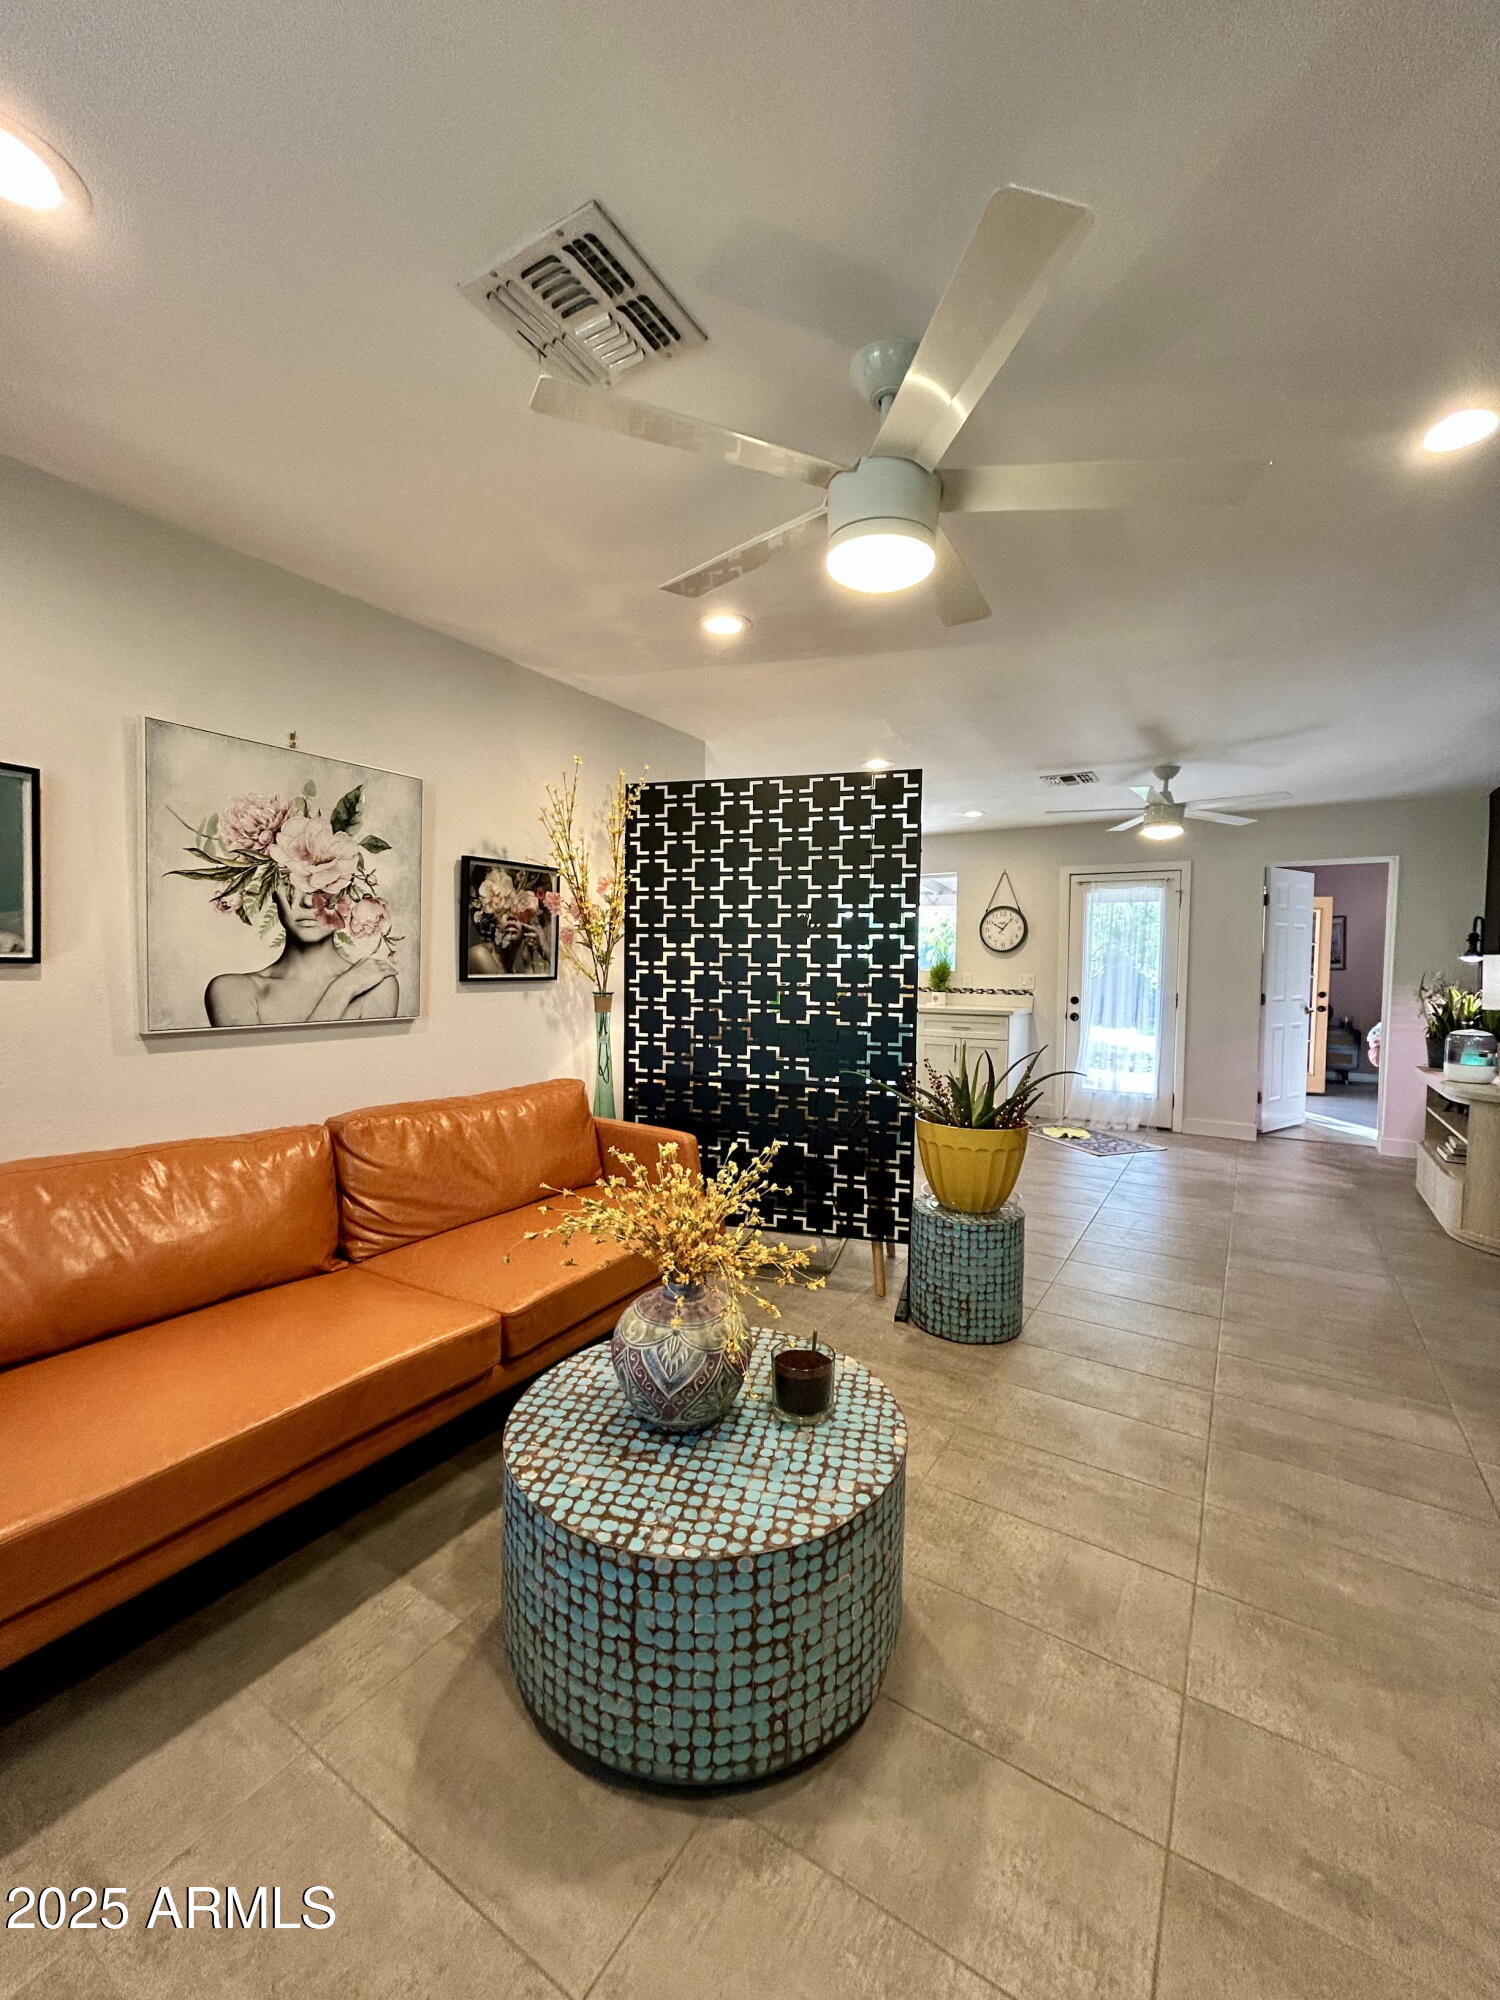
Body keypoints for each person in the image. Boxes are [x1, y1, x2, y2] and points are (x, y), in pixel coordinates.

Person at [204, 880, 398, 1026]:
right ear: (272, 892)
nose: (308, 901)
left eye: (325, 883)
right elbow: (264, 1068)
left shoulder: (376, 984)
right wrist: (342, 990)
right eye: (290, 883)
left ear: (347, 894)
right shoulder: (231, 990)